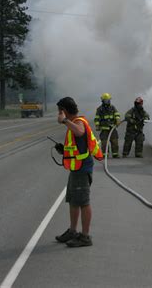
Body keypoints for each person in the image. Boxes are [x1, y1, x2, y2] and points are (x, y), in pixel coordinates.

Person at [54, 97, 103, 247]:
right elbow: (77, 145)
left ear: (64, 111)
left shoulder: (78, 122)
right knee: (74, 201)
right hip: (76, 169)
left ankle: (85, 237)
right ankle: (73, 231)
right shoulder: (74, 123)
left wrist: (64, 121)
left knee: (83, 202)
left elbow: (80, 132)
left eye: (59, 111)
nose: (58, 114)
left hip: (82, 169)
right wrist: (65, 151)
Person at [94, 93, 121, 158]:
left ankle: (115, 154)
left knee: (115, 141)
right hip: (104, 129)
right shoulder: (99, 109)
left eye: (108, 100)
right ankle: (105, 155)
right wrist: (97, 125)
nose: (107, 102)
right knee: (104, 143)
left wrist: (118, 120)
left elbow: (117, 114)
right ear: (103, 101)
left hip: (112, 128)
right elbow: (97, 118)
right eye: (106, 100)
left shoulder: (112, 107)